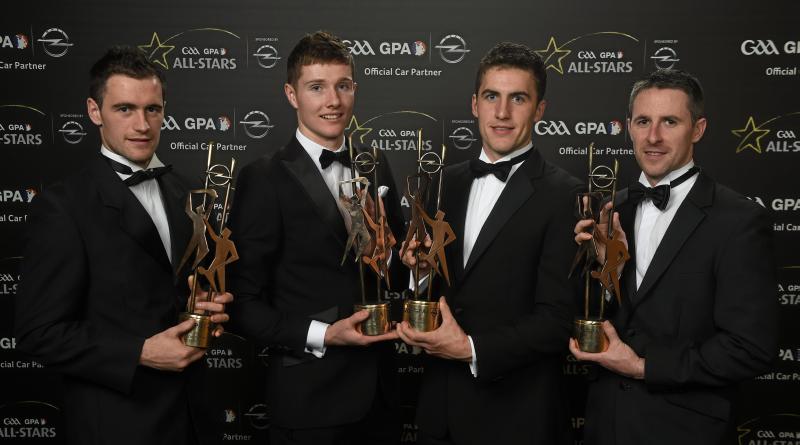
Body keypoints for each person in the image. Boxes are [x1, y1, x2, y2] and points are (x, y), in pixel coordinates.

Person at [14, 46, 232, 445]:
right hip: (118, 425)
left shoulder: (187, 193)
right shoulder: (65, 206)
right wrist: (139, 352)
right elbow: (38, 332)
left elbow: (175, 290)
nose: (142, 125)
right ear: (95, 112)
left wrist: (204, 304)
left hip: (195, 419)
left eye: (153, 109)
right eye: (125, 109)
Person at [569, 69, 778, 445]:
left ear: (697, 129)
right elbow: (596, 318)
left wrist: (642, 368)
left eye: (670, 122)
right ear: (629, 127)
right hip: (606, 426)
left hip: (687, 431)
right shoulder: (611, 209)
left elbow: (750, 349)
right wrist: (605, 268)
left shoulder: (739, 220)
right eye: (643, 121)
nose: (653, 137)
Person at [398, 41, 582, 445]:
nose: (502, 113)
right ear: (474, 104)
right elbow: (435, 291)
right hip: (440, 413)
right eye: (491, 97)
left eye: (518, 98)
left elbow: (557, 321)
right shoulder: (442, 185)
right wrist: (420, 274)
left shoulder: (566, 195)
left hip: (518, 417)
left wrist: (469, 348)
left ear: (540, 110)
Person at [226, 31, 404, 445]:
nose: (333, 101)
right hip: (310, 402)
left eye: (343, 86)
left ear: (354, 89)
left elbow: (389, 271)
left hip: (381, 397)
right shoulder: (264, 178)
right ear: (292, 94)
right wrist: (326, 334)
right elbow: (243, 304)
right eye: (317, 87)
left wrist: (395, 259)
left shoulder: (375, 164)